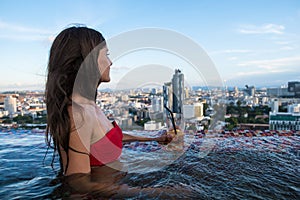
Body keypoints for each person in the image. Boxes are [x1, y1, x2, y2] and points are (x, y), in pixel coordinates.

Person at [45, 26, 179, 198]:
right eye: (106, 54)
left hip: (117, 185)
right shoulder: (78, 114)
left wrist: (154, 138)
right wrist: (155, 193)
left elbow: (106, 138)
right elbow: (77, 183)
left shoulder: (89, 105)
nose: (111, 62)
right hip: (108, 194)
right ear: (88, 60)